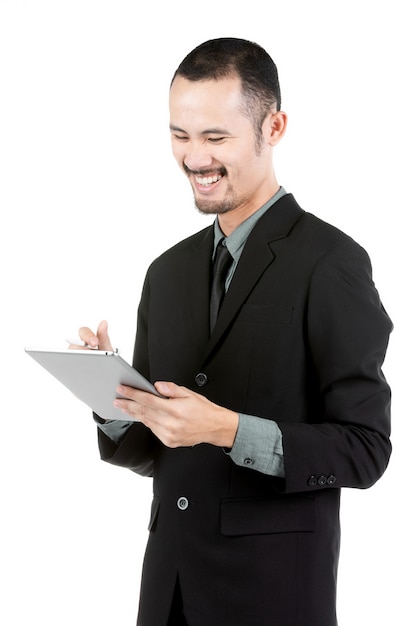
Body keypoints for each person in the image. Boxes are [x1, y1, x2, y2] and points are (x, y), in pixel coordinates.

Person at [74, 38, 393, 626]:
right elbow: (153, 456)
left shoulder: (332, 263)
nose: (194, 158)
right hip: (168, 593)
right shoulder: (165, 273)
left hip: (273, 597)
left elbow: (367, 449)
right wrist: (113, 398)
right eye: (180, 135)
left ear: (273, 127)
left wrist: (227, 430)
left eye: (215, 138)